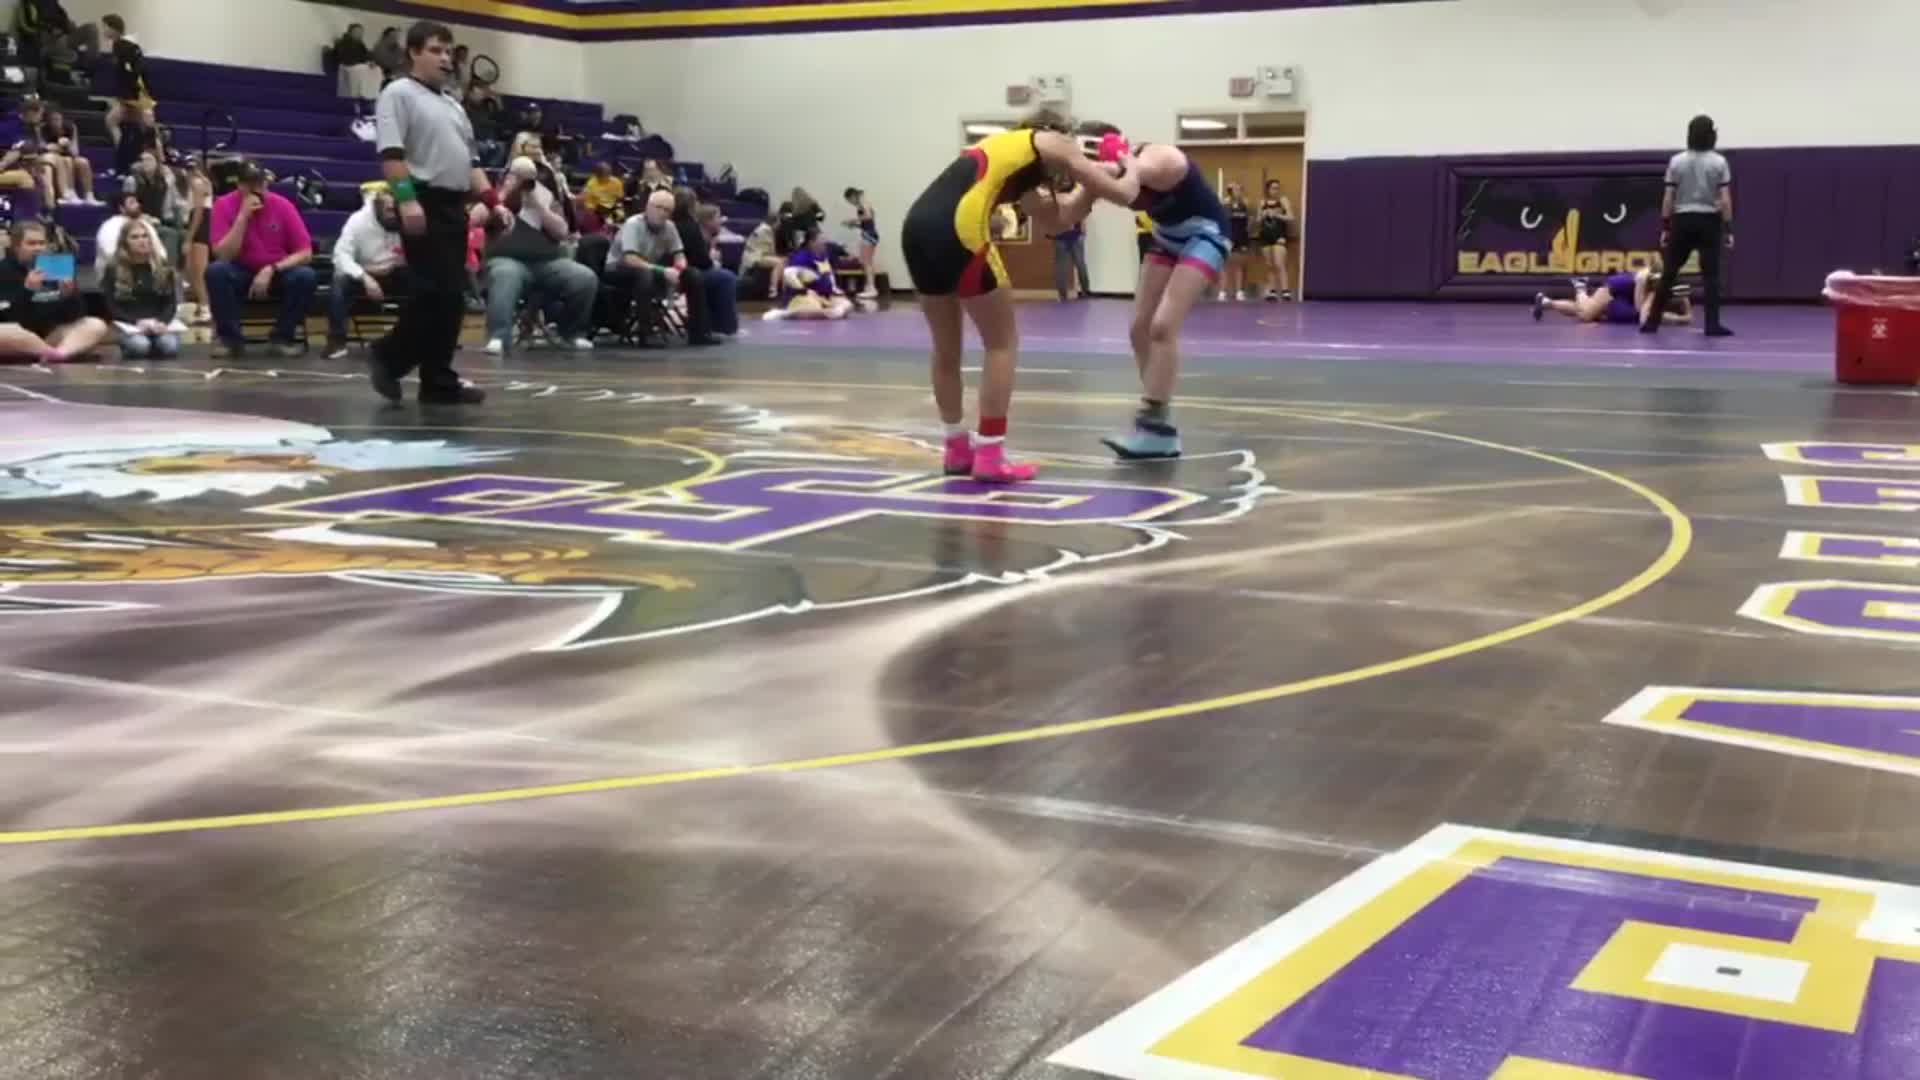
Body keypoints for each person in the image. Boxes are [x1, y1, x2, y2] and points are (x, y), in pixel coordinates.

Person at [900, 108, 1139, 483]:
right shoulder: (1053, 140)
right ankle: (990, 455)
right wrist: (1128, 164)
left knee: (946, 348)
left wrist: (1091, 187)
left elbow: (1058, 220)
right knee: (1002, 344)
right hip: (960, 225)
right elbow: (1126, 194)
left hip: (916, 226)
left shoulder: (1015, 158)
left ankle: (957, 448)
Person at [370, 20, 505, 404]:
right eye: (435, 50)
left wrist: (493, 202)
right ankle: (388, 356)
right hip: (423, 199)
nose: (445, 59)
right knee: (433, 292)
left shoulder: (452, 105)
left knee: (451, 297)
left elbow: (471, 161)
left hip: (453, 204)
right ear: (413, 53)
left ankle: (437, 380)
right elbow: (392, 154)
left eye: (448, 51)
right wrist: (406, 199)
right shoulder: (397, 93)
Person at [1082, 127, 1229, 460]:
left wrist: (1094, 173)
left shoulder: (1165, 161)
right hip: (1166, 238)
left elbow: (1126, 181)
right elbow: (1072, 209)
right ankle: (1160, 425)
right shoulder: (1124, 170)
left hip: (1207, 235)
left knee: (1163, 327)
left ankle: (1153, 423)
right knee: (1139, 330)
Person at [480, 156, 597, 355]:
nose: (524, 182)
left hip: (547, 262)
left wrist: (539, 207)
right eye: (518, 176)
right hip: (507, 259)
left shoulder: (545, 197)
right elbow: (477, 218)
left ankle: (572, 333)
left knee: (585, 278)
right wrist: (504, 194)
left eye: (528, 178)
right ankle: (498, 336)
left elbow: (562, 232)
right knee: (505, 275)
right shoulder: (496, 195)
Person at [205, 160, 316, 357]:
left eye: (260, 183)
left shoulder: (283, 205)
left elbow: (305, 252)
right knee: (216, 272)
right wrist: (242, 217)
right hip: (240, 269)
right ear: (239, 185)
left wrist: (272, 268)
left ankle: (282, 338)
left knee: (305, 276)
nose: (257, 189)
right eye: (250, 184)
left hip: (276, 271)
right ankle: (230, 341)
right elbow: (223, 255)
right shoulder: (223, 205)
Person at [1643, 114, 1734, 338]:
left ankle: (1652, 322)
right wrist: (1728, 228)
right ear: (1711, 134)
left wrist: (1666, 226)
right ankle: (1712, 325)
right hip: (1709, 220)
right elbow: (1724, 199)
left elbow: (1668, 197)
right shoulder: (1719, 162)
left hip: (1683, 219)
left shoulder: (1677, 161)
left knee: (1669, 273)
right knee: (1711, 275)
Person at [605, 188, 718, 346]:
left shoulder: (669, 227)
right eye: (659, 208)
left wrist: (678, 270)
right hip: (618, 269)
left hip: (648, 268)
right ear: (648, 207)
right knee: (645, 275)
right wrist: (663, 271)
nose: (662, 213)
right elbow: (630, 259)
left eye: (667, 210)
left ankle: (699, 333)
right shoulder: (633, 224)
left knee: (693, 275)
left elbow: (679, 255)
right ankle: (646, 334)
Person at [0, 221, 109, 362]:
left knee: (95, 324)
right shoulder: (4, 271)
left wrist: (68, 295)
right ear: (16, 247)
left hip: (50, 335)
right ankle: (48, 352)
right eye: (31, 244)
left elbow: (76, 316)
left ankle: (59, 353)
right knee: (9, 332)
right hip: (18, 335)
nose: (38, 248)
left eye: (41, 243)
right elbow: (8, 317)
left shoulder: (55, 267)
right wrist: (27, 290)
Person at [326, 188, 406, 358]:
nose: (394, 215)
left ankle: (414, 338)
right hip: (364, 273)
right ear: (377, 209)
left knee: (424, 279)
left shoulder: (406, 219)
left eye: (397, 210)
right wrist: (364, 276)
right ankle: (336, 341)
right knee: (339, 281)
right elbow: (340, 255)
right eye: (389, 210)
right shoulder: (358, 221)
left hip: (396, 271)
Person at [101, 221, 180, 358]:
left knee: (170, 346)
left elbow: (170, 302)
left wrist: (162, 322)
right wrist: (136, 322)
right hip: (131, 324)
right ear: (125, 243)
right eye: (135, 237)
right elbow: (112, 306)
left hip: (157, 323)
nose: (141, 241)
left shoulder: (162, 266)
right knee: (140, 346)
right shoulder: (114, 268)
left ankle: (154, 344)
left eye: (145, 236)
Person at [673, 187, 739, 338]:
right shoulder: (690, 226)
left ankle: (710, 322)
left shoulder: (673, 223)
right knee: (726, 278)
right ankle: (724, 326)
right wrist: (712, 263)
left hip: (679, 270)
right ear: (691, 205)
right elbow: (701, 261)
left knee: (716, 275)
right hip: (687, 273)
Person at [1533, 268, 1692, 326]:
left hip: (1626, 298)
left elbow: (1688, 311)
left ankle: (1546, 302)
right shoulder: (1643, 278)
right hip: (1615, 288)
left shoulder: (1672, 288)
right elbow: (1639, 310)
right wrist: (1668, 316)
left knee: (1582, 311)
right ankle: (1580, 287)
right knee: (1586, 315)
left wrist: (1683, 315)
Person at [765, 227, 857, 321]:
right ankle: (785, 314)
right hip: (802, 296)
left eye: (824, 239)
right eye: (821, 240)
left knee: (847, 305)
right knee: (814, 309)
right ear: (811, 242)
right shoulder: (801, 257)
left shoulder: (825, 256)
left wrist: (834, 289)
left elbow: (829, 275)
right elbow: (789, 276)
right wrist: (804, 291)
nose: (824, 242)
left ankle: (828, 312)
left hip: (823, 296)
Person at [100, 15, 153, 152]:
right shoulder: (123, 46)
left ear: (113, 28)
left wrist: (129, 98)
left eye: (105, 27)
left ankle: (125, 153)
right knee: (142, 127)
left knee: (112, 121)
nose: (103, 30)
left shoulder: (122, 46)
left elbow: (133, 72)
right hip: (134, 94)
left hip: (134, 94)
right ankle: (136, 154)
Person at [29, 101, 98, 205]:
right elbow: (42, 148)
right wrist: (55, 147)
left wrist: (68, 145)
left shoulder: (71, 127)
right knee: (67, 160)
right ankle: (70, 193)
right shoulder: (41, 128)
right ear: (48, 120)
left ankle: (89, 196)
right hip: (55, 158)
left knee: (83, 162)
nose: (56, 122)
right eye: (53, 120)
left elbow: (75, 152)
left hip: (68, 154)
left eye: (58, 119)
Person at [93, 188, 168, 276]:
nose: (138, 205)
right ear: (121, 208)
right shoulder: (109, 226)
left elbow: (161, 252)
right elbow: (110, 254)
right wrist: (136, 260)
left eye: (137, 202)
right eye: (132, 202)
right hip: (117, 275)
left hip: (147, 271)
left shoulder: (144, 224)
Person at [1256, 178, 1295, 301]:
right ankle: (1272, 290)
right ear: (1268, 189)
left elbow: (1291, 217)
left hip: (1279, 235)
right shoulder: (1262, 202)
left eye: (1277, 188)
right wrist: (1263, 215)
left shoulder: (1283, 200)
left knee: (1279, 263)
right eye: (1273, 188)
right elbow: (1258, 219)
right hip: (1266, 235)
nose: (1276, 190)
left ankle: (1285, 291)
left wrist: (1277, 214)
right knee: (1269, 265)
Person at [842, 186, 881, 299]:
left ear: (853, 196)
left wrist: (853, 220)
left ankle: (871, 288)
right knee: (866, 262)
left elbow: (868, 216)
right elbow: (867, 222)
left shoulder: (863, 202)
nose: (850, 203)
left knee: (866, 262)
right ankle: (870, 286)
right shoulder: (861, 204)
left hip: (869, 235)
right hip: (868, 233)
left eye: (849, 200)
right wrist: (854, 225)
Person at [1219, 181, 1252, 302]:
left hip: (1241, 237)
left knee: (1239, 265)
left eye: (1240, 189)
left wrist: (1247, 232)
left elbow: (1250, 220)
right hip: (1228, 236)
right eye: (1235, 189)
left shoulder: (1245, 203)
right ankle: (1223, 292)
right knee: (1225, 265)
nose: (1238, 192)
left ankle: (1239, 292)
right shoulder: (1224, 203)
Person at [334, 23, 381, 102]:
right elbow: (344, 57)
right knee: (361, 69)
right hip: (347, 65)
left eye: (361, 32)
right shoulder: (343, 42)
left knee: (377, 69)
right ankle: (360, 94)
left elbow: (366, 55)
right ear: (350, 32)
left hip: (359, 65)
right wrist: (361, 63)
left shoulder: (360, 44)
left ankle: (372, 95)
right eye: (357, 32)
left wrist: (371, 62)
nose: (359, 34)